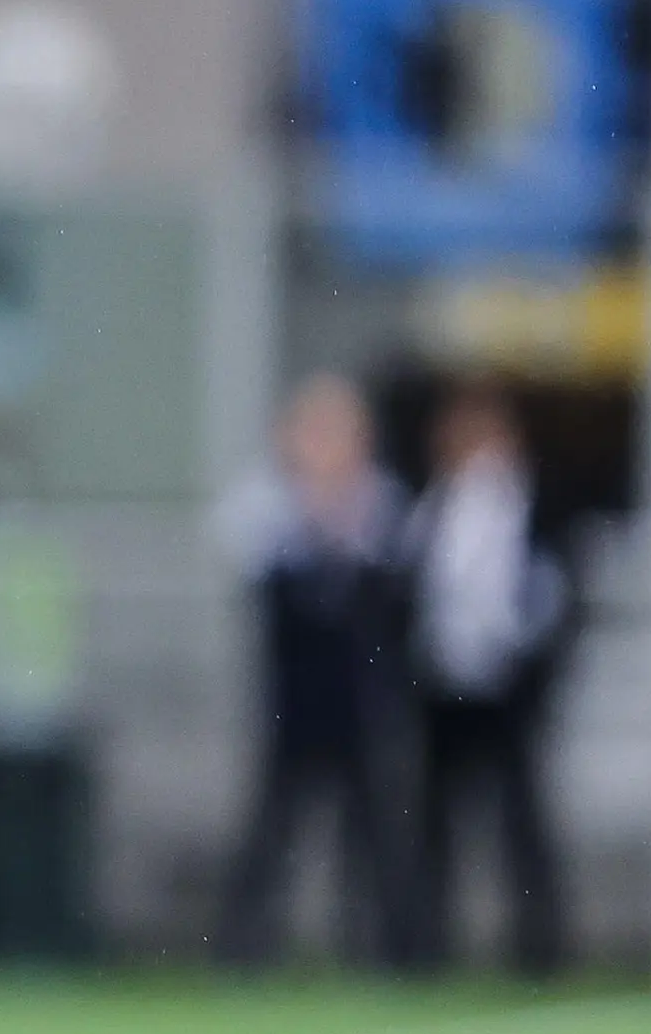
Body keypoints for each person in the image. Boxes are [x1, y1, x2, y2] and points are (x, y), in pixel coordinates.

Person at [214, 374, 413, 971]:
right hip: (292, 703)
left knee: (372, 837)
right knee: (272, 833)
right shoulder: (267, 505)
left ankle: (381, 953)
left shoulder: (380, 505)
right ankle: (243, 951)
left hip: (358, 702)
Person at [401, 387, 570, 976]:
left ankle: (538, 950)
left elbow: (554, 595)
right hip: (443, 691)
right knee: (434, 827)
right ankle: (426, 950)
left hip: (507, 692)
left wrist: (528, 663)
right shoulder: (432, 505)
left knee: (519, 826)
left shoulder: (533, 505)